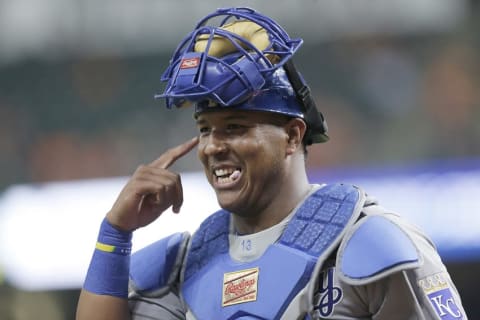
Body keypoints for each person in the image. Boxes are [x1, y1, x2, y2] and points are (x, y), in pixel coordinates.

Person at [76, 7, 467, 320]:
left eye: (235, 127)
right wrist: (115, 233)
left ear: (293, 136)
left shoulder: (368, 245)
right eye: (206, 128)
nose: (213, 146)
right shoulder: (183, 265)